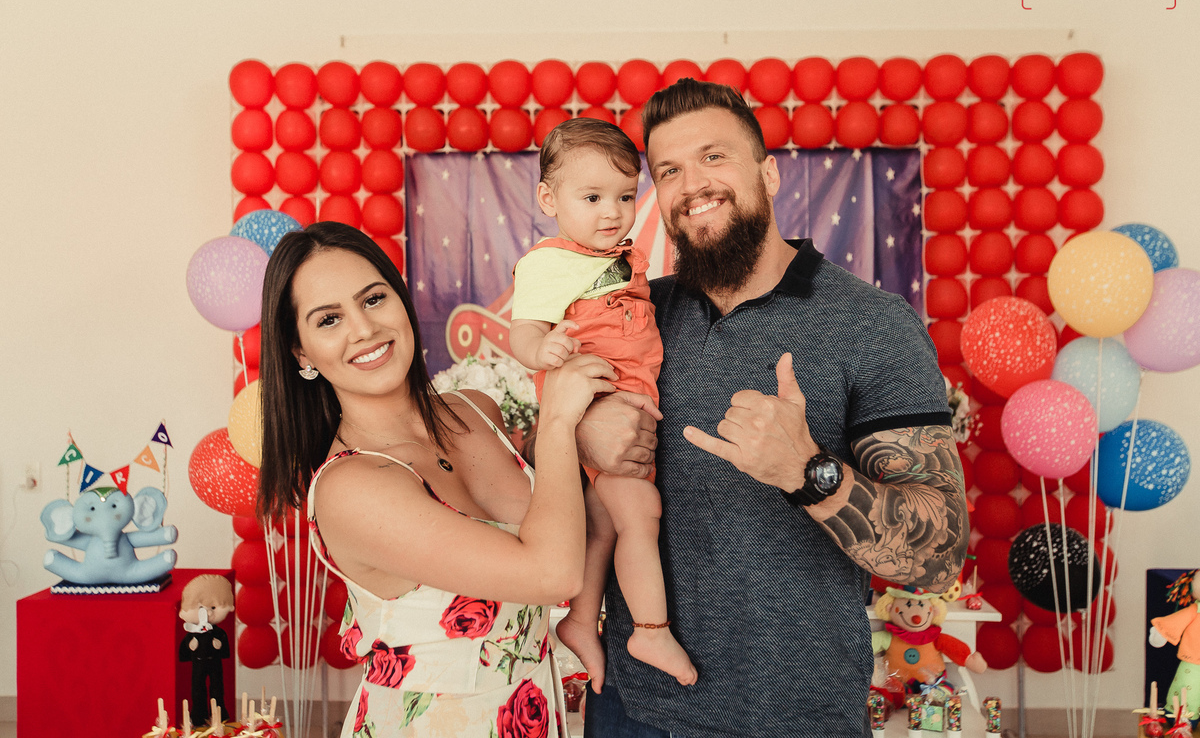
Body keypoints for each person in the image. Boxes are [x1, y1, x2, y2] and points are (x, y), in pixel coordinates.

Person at [572, 78, 971, 737]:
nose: (692, 183)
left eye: (713, 156)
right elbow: (542, 471)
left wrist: (808, 470)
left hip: (793, 716)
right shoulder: (634, 316)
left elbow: (937, 553)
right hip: (634, 708)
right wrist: (580, 429)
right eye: (668, 170)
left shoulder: (873, 324)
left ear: (769, 173)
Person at [257, 221, 614, 737]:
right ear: (301, 353)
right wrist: (558, 421)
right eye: (329, 319)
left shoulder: (477, 409)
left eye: (373, 299)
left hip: (537, 713)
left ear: (401, 303)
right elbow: (551, 574)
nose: (363, 329)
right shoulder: (350, 488)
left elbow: (566, 516)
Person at [509, 118, 698, 690]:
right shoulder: (549, 262)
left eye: (623, 195)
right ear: (549, 198)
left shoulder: (618, 255)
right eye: (591, 197)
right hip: (601, 399)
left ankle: (580, 620)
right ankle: (650, 627)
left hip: (630, 395)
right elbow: (521, 333)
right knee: (641, 516)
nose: (612, 211)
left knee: (602, 526)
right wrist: (545, 347)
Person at [178, 574, 234, 725]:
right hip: (198, 663)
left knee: (217, 689)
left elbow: (224, 647)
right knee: (197, 689)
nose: (208, 613)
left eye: (213, 608)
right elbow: (185, 648)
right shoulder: (192, 633)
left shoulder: (219, 633)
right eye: (202, 608)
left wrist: (219, 646)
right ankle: (198, 716)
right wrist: (191, 647)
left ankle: (218, 716)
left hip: (215, 663)